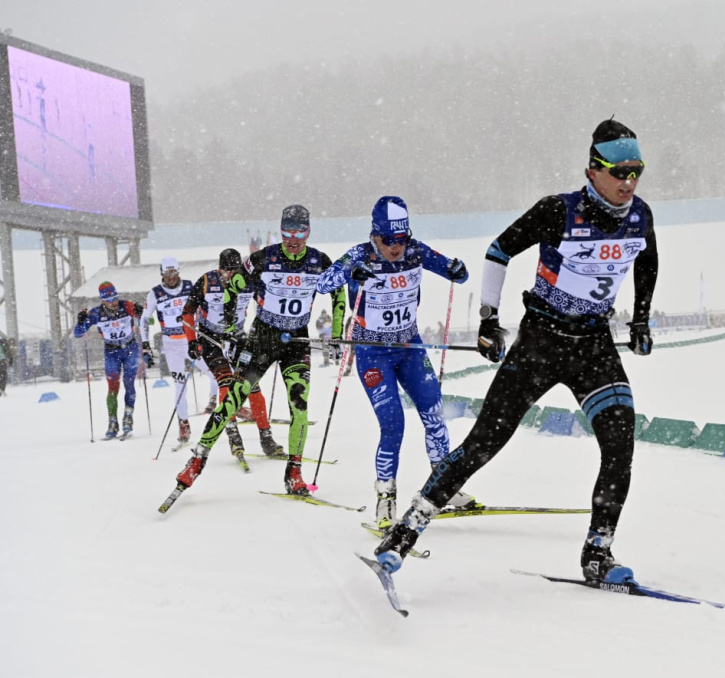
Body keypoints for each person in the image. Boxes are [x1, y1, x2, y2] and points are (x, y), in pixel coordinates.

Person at [374, 118, 659, 585]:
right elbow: (499, 250)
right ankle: (404, 533)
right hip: (542, 341)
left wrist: (642, 317)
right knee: (485, 443)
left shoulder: (641, 215)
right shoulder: (558, 210)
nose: (629, 182)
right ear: (593, 169)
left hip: (593, 345)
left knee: (620, 439)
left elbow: (647, 260)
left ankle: (598, 552)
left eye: (637, 171)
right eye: (619, 171)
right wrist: (489, 319)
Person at [316, 195, 476, 529]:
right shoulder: (360, 254)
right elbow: (323, 283)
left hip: (410, 347)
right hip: (373, 351)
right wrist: (350, 274)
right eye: (388, 240)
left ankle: (442, 485)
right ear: (375, 235)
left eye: (401, 239)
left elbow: (457, 273)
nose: (395, 247)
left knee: (434, 413)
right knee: (393, 425)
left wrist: (457, 270)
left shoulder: (416, 251)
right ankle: (386, 497)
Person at [169, 206, 344, 498]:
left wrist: (337, 332)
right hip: (262, 339)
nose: (294, 238)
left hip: (296, 341)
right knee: (232, 399)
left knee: (299, 404)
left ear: (309, 231)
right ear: (281, 230)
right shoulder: (263, 258)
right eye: (288, 231)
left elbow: (339, 290)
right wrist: (229, 326)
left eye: (300, 231)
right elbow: (233, 287)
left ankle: (294, 473)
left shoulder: (319, 261)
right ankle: (197, 460)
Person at [180, 248, 285, 458]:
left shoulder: (248, 281)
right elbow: (187, 313)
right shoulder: (207, 281)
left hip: (236, 337)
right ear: (219, 268)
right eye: (226, 270)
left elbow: (267, 305)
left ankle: (266, 437)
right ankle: (233, 435)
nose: (230, 275)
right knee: (226, 383)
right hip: (211, 338)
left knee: (252, 385)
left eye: (234, 270)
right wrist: (192, 341)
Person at [73, 282, 144, 438]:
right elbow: (78, 333)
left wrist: (141, 312)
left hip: (130, 349)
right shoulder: (96, 313)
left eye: (115, 297)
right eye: (109, 299)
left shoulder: (127, 306)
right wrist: (80, 321)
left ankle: (128, 416)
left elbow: (148, 320)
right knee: (113, 387)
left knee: (129, 382)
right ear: (102, 300)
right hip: (111, 351)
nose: (113, 302)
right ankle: (112, 421)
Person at [140, 257, 196, 445]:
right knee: (180, 385)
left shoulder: (189, 286)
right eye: (166, 274)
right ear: (162, 274)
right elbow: (144, 319)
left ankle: (230, 409)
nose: (170, 278)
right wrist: (146, 344)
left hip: (191, 339)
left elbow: (203, 308)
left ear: (178, 272)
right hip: (171, 344)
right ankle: (183, 424)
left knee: (215, 373)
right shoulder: (155, 293)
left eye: (173, 273)